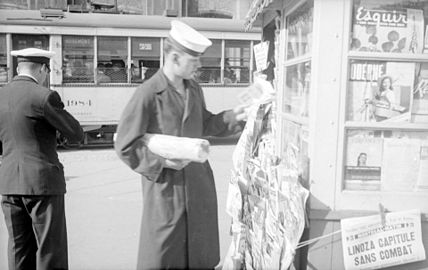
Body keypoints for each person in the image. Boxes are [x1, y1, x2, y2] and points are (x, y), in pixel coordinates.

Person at [115, 20, 247, 270]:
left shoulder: (193, 89)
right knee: (165, 257)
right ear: (174, 58)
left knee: (199, 257)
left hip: (198, 186)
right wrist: (162, 162)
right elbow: (125, 144)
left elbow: (205, 124)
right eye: (193, 61)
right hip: (167, 190)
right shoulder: (148, 93)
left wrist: (235, 116)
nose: (198, 66)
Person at [0, 48, 84, 270]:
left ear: (18, 68)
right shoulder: (43, 96)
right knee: (50, 250)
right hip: (42, 185)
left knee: (19, 248)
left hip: (9, 184)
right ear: (42, 69)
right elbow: (75, 133)